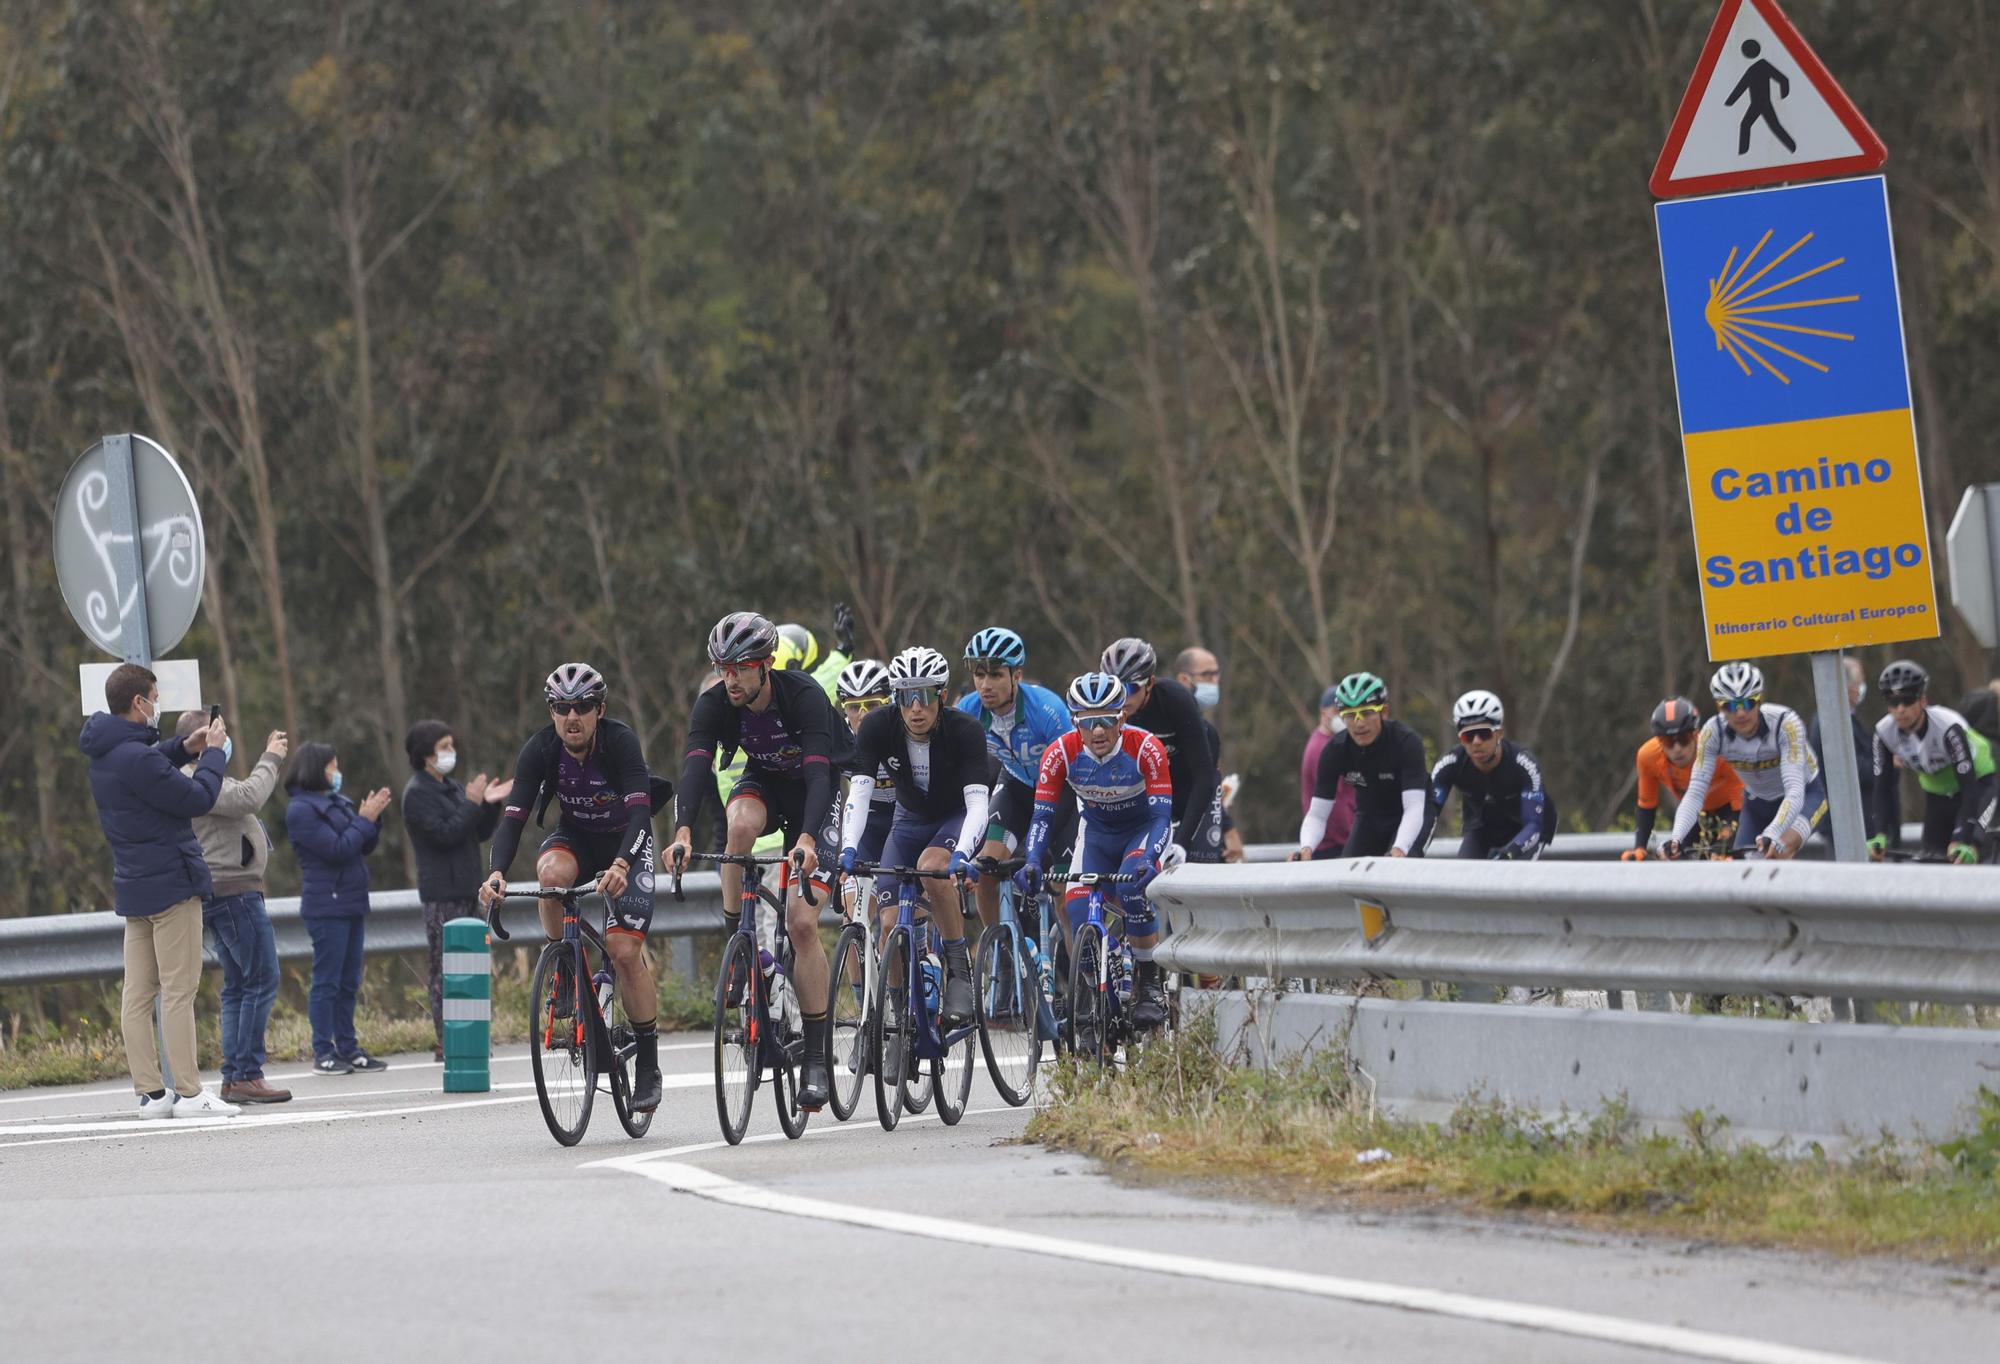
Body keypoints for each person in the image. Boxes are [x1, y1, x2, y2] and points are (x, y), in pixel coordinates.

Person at [665, 612, 856, 1111]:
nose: (730, 678)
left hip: (815, 795)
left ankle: (816, 1058)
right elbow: (693, 769)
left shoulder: (804, 696)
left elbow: (819, 779)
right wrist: (682, 831)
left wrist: (809, 840)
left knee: (801, 924)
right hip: (767, 784)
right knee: (739, 826)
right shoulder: (715, 704)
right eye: (722, 667)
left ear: (767, 665)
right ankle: (739, 941)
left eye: (741, 668)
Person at [478, 664, 664, 1110]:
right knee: (550, 877)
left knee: (622, 952)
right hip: (578, 837)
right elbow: (514, 819)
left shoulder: (620, 743)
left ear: (600, 710)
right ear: (552, 712)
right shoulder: (540, 750)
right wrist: (497, 872)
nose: (572, 717)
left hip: (627, 844)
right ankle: (563, 965)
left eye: (582, 707)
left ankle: (648, 1064)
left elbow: (642, 815)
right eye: (562, 708)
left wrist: (622, 862)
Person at [79, 663, 240, 1118]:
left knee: (137, 995)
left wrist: (180, 746)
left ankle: (150, 1094)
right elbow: (197, 799)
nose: (157, 704)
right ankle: (189, 1094)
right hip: (172, 885)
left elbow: (146, 768)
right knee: (178, 991)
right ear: (138, 702)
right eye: (154, 695)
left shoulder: (106, 753)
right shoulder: (138, 758)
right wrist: (212, 753)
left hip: (135, 888)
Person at [836, 647, 992, 1025]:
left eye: (924, 695)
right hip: (907, 821)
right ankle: (900, 1018)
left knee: (931, 869)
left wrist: (964, 855)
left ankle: (959, 972)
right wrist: (849, 848)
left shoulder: (965, 729)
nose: (916, 708)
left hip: (953, 816)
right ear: (896, 698)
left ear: (941, 694)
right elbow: (857, 792)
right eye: (906, 697)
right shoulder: (876, 726)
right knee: (888, 923)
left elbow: (977, 806)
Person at [1015, 672, 1175, 1040]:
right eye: (1088, 722)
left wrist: (1148, 859)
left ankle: (1149, 980)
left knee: (1134, 890)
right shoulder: (1060, 754)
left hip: (1141, 832)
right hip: (1097, 835)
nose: (1098, 731)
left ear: (1122, 718)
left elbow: (1161, 816)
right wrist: (1032, 860)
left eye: (1106, 720)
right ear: (1075, 723)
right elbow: (1042, 815)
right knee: (1075, 909)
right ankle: (1097, 999)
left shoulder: (1146, 748)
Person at [174, 710, 291, 1104]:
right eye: (220, 735)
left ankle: (235, 1075)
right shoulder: (197, 779)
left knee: (239, 986)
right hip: (233, 894)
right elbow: (248, 796)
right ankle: (246, 1073)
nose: (225, 743)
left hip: (227, 891)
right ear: (200, 740)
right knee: (261, 979)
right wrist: (270, 757)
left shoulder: (196, 779)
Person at [402, 719, 512, 1060]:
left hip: (468, 888)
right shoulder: (417, 794)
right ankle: (448, 1040)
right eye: (444, 746)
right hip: (442, 894)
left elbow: (475, 832)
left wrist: (489, 804)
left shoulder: (451, 788)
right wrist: (471, 802)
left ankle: (473, 1035)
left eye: (452, 745)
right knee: (445, 970)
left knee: (473, 967)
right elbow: (445, 833)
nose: (451, 753)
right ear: (425, 754)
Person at [955, 626, 1074, 928]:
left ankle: (1081, 972)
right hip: (1017, 788)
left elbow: (1076, 769)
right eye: (979, 675)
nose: (985, 685)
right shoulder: (968, 710)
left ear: (1016, 676)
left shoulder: (1048, 710)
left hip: (1062, 795)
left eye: (995, 675)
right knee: (986, 869)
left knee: (1064, 898)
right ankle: (1003, 954)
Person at [286, 741, 394, 1075]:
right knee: (327, 981)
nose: (336, 772)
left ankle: (348, 1047)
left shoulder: (338, 802)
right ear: (316, 769)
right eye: (331, 766)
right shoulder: (301, 810)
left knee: (349, 981)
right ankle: (323, 1051)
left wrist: (372, 821)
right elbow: (336, 848)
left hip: (351, 901)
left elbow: (361, 845)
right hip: (326, 905)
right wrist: (363, 821)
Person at [1664, 662, 1826, 861]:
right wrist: (1676, 838)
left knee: (1778, 852)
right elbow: (1695, 792)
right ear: (1720, 708)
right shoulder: (1712, 732)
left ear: (1760, 701)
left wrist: (1773, 833)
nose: (1740, 713)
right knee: (1742, 870)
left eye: (1748, 703)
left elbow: (1794, 790)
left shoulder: (1786, 723)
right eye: (1730, 706)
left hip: (1806, 796)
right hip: (1756, 802)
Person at [1101, 637, 1223, 864]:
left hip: (1191, 782)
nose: (1123, 697)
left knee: (1197, 862)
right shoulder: (1106, 709)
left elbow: (1203, 777)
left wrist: (1182, 843)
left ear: (1150, 683)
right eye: (1116, 688)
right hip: (1150, 787)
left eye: (1131, 688)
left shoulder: (1176, 699)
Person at [1869, 659, 1998, 863]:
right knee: (1932, 858)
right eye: (1893, 702)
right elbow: (1882, 787)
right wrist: (1880, 834)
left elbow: (1969, 788)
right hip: (1938, 793)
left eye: (1908, 700)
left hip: (1979, 784)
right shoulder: (1884, 732)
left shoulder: (1947, 727)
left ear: (1922, 700)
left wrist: (1963, 838)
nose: (1900, 709)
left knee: (1968, 849)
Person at [1292, 672, 1433, 859]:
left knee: (1397, 870)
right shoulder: (1335, 750)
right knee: (1349, 876)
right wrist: (1306, 848)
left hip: (1413, 813)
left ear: (1384, 712)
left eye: (1366, 713)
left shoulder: (1406, 742)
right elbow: (1318, 814)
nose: (1359, 723)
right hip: (1369, 816)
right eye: (1350, 716)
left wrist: (1398, 850)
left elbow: (1414, 807)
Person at [1427, 690, 1556, 859]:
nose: (1476, 741)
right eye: (1468, 736)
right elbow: (1426, 814)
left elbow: (1533, 825)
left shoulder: (1524, 763)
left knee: (1510, 877)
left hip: (1526, 828)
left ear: (1499, 733)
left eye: (1484, 733)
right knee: (1463, 877)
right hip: (1482, 828)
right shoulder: (1451, 763)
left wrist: (1508, 855)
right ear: (1460, 739)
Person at [1621, 697, 1744, 860]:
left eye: (1684, 739)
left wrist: (1726, 837)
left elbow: (1742, 803)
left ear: (1695, 734)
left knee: (1725, 854)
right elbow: (1647, 805)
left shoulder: (1720, 751)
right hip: (1697, 813)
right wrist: (1640, 848)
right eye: (1668, 742)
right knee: (1676, 855)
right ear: (1659, 741)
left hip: (1734, 809)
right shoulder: (1647, 756)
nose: (1678, 749)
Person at [1174, 646, 1243, 862]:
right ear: (1184, 679)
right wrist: (1229, 830)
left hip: (1200, 833)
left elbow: (1207, 787)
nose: (1214, 680)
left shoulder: (1206, 729)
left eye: (1216, 674)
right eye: (1207, 675)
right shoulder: (1171, 724)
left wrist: (1227, 827)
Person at [1807, 656, 1877, 838]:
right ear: (1846, 687)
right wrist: (1884, 765)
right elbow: (1850, 769)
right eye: (1859, 682)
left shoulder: (1844, 718)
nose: (1860, 688)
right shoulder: (1832, 722)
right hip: (1844, 823)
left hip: (1850, 819)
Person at [1300, 686, 1357, 857]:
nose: (1342, 715)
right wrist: (1351, 838)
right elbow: (1335, 802)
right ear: (1323, 713)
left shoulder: (1335, 744)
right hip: (1332, 844)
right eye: (1336, 710)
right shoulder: (1321, 749)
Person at [774, 602, 855, 700]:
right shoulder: (808, 697)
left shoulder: (756, 694)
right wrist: (844, 648)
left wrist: (844, 648)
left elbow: (827, 676)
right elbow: (826, 679)